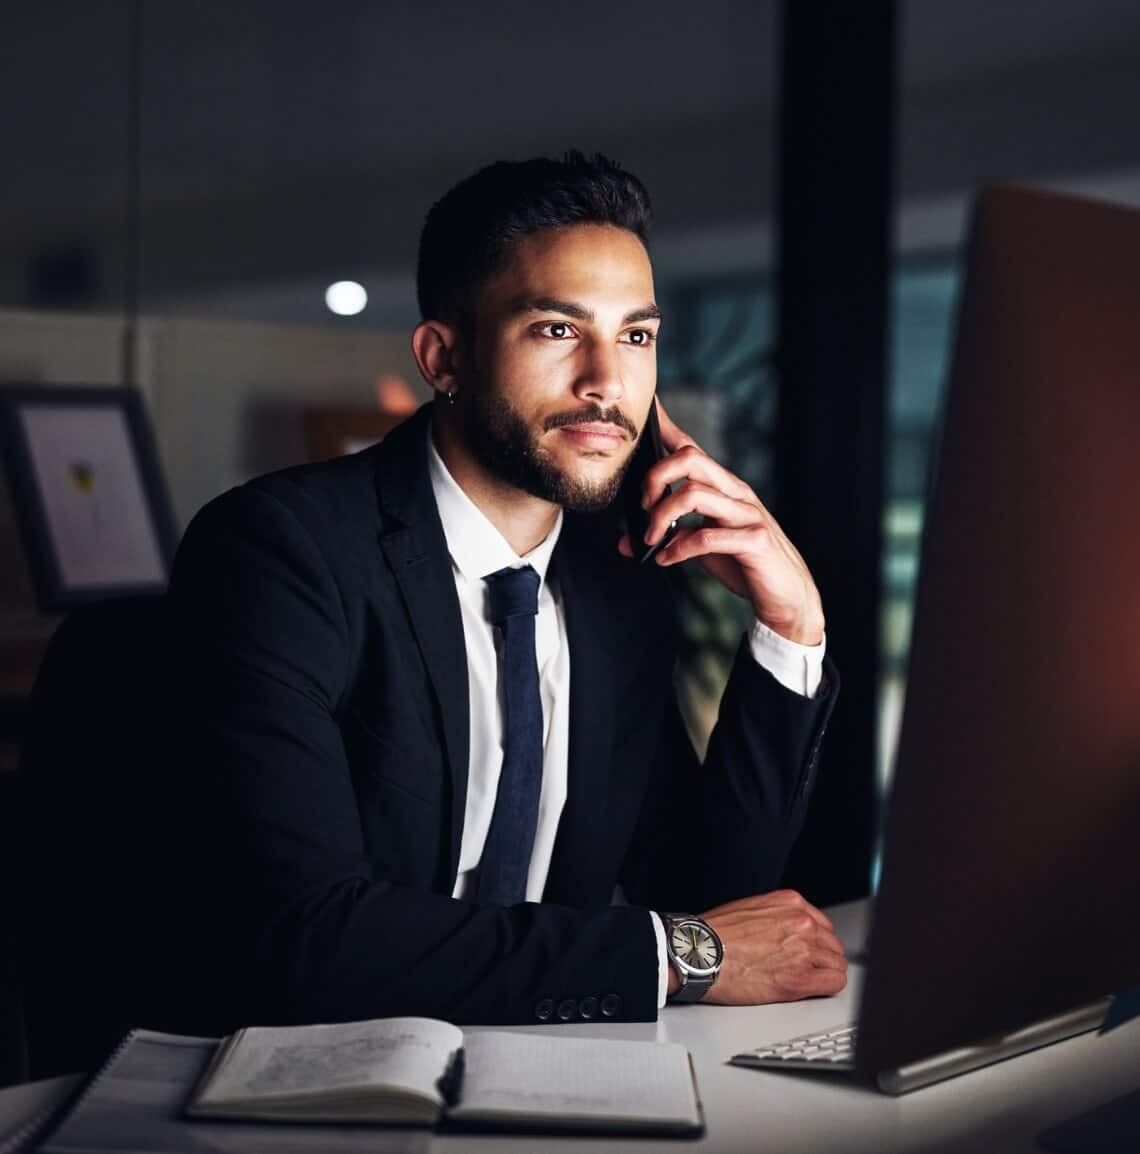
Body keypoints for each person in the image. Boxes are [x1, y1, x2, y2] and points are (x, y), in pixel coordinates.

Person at [167, 152, 845, 1031]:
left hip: (540, 1064)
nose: (608, 382)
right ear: (443, 357)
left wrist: (792, 625)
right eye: (558, 331)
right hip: (308, 1081)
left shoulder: (617, 576)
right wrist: (673, 955)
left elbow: (711, 908)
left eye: (636, 337)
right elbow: (308, 935)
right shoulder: (281, 551)